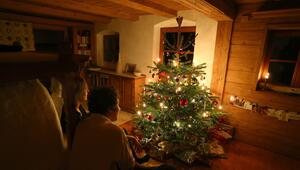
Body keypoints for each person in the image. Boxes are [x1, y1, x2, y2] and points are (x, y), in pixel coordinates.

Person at [68, 87, 175, 170]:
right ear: (110, 109)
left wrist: (126, 137)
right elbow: (129, 167)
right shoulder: (114, 132)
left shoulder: (83, 124)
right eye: (118, 105)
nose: (120, 108)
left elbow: (100, 140)